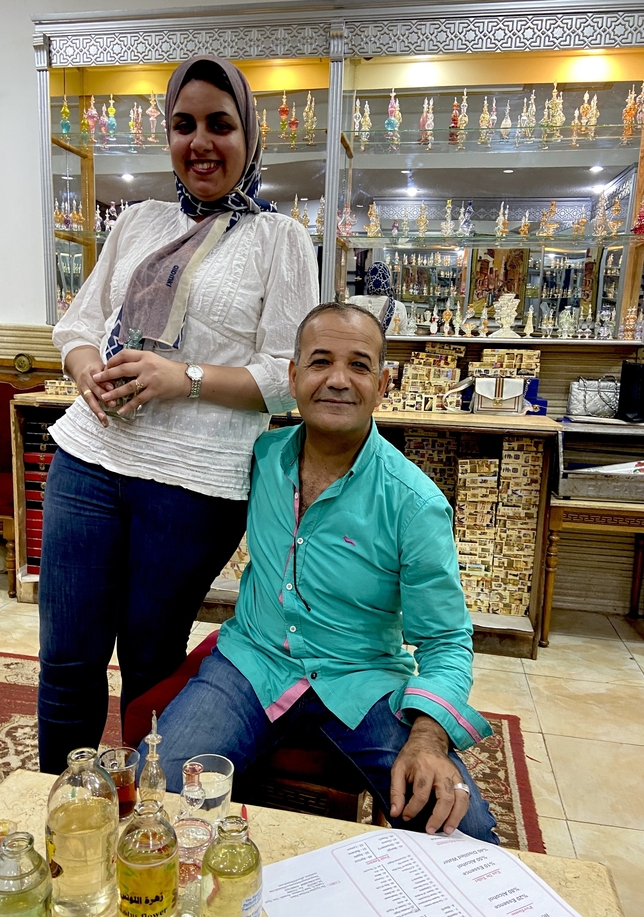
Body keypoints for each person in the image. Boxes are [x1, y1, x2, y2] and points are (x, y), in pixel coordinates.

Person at [38, 55, 319, 774]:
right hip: (88, 462)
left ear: (250, 136)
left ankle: (144, 827)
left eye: (220, 125)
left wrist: (181, 377)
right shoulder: (138, 221)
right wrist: (86, 372)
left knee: (151, 666)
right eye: (183, 125)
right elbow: (77, 325)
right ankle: (61, 819)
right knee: (67, 660)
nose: (200, 142)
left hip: (194, 485)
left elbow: (287, 380)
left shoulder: (280, 240)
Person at [145, 302, 498, 841]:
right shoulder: (261, 458)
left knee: (463, 833)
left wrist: (428, 738)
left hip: (363, 680)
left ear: (383, 383)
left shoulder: (413, 502)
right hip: (251, 664)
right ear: (293, 376)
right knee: (161, 797)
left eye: (358, 365)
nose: (338, 380)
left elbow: (446, 640)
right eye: (320, 362)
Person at [347, 261, 411, 335]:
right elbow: (403, 336)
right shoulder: (398, 306)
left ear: (368, 280)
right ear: (388, 281)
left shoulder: (354, 301)